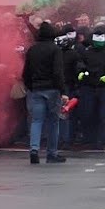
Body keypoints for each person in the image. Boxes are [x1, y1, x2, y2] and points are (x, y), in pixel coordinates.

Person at [20, 22, 71, 164]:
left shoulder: (32, 50)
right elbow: (58, 72)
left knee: (36, 121)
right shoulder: (55, 50)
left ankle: (34, 150)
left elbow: (26, 72)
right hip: (52, 89)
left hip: (36, 89)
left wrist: (31, 86)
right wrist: (63, 91)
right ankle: (52, 153)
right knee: (54, 122)